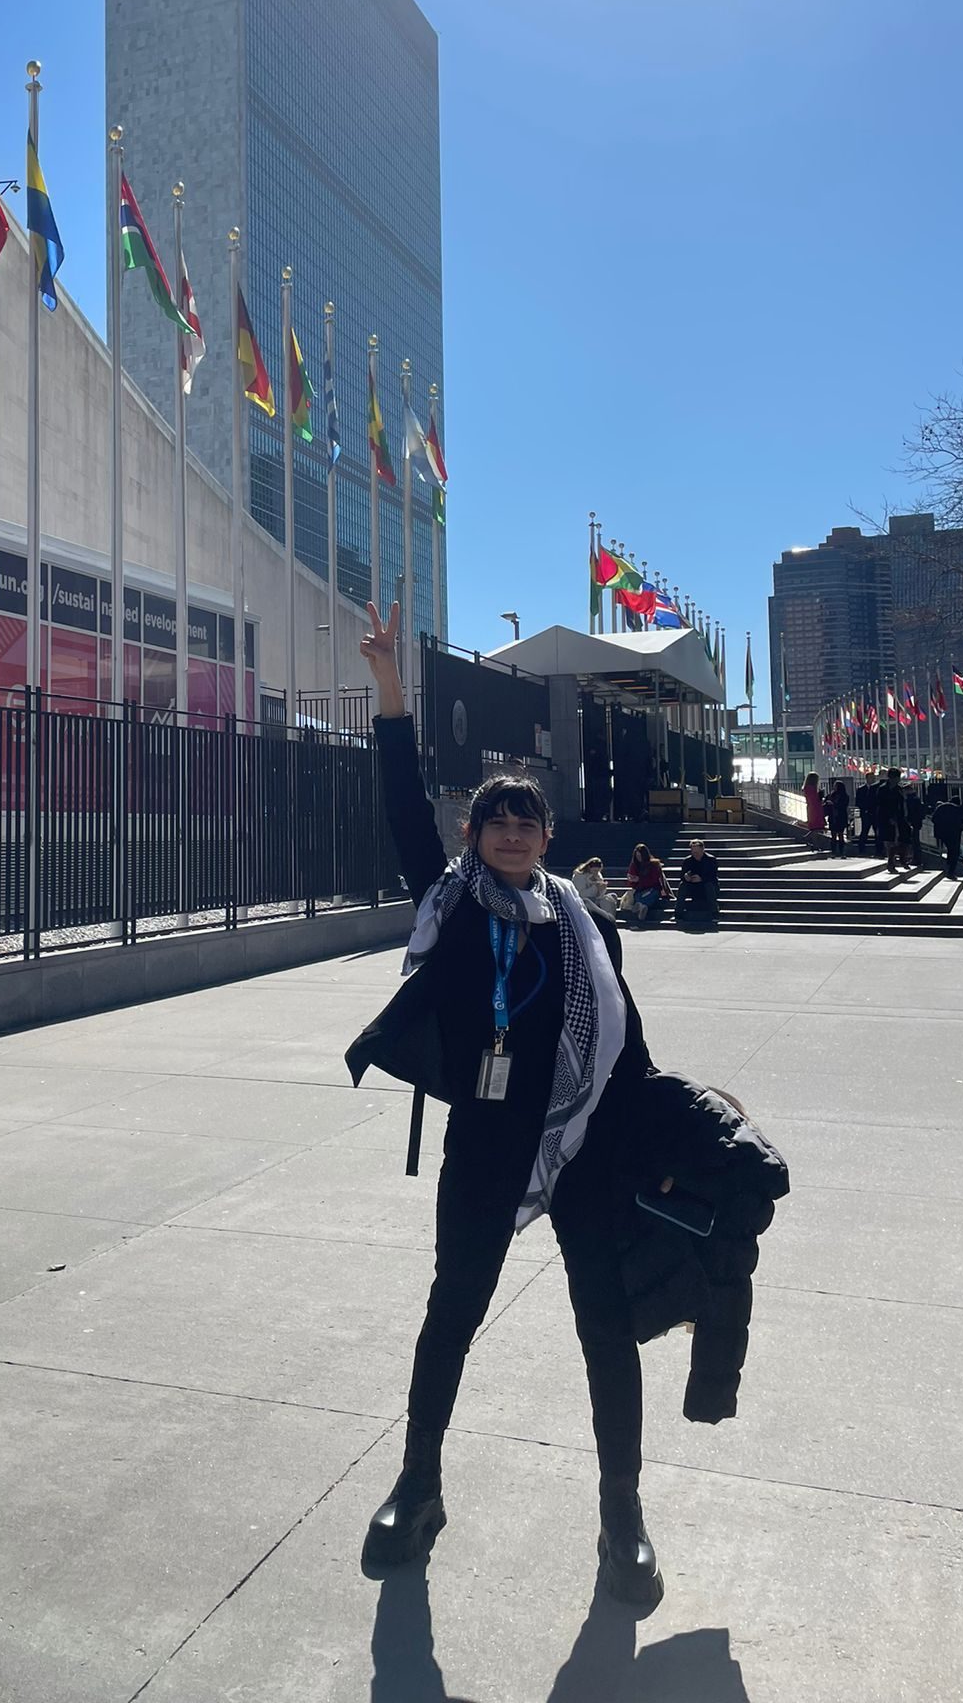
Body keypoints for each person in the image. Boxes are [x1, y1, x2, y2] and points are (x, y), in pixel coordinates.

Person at [351, 600, 663, 1603]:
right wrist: (391, 688)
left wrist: (661, 1140)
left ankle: (623, 1516)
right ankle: (419, 1481)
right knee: (452, 1312)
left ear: (546, 832)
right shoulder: (446, 909)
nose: (517, 830)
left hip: (584, 1147)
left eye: (529, 817)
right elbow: (398, 795)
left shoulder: (586, 930)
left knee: (605, 1324)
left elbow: (630, 1049)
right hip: (485, 1142)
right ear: (471, 831)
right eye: (499, 817)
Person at [625, 844, 671, 926]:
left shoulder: (653, 864)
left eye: (640, 856)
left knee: (652, 895)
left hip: (653, 889)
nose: (639, 858)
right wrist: (632, 879)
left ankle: (641, 906)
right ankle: (642, 906)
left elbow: (655, 880)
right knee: (638, 896)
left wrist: (640, 879)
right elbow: (632, 884)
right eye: (637, 856)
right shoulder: (634, 865)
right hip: (640, 890)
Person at [874, 768, 908, 876]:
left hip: (897, 818)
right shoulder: (882, 789)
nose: (897, 780)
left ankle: (892, 861)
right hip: (884, 818)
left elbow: (901, 805)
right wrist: (888, 817)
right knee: (889, 840)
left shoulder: (899, 789)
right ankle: (891, 862)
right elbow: (881, 805)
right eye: (896, 778)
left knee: (896, 840)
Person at [675, 839, 720, 921]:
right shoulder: (688, 860)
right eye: (693, 852)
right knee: (682, 886)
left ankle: (715, 913)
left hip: (707, 886)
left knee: (709, 885)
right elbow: (682, 875)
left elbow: (713, 876)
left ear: (703, 849)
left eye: (697, 852)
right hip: (693, 887)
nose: (696, 854)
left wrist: (701, 879)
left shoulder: (711, 860)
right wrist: (686, 877)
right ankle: (678, 914)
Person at [572, 857, 621, 922]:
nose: (596, 872)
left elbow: (600, 894)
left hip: (596, 898)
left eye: (598, 871)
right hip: (584, 900)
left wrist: (602, 888)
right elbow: (581, 894)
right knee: (604, 902)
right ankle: (607, 920)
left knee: (611, 898)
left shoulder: (597, 875)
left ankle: (610, 919)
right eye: (594, 870)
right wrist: (595, 887)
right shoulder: (579, 876)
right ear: (589, 868)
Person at [931, 792, 963, 880]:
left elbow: (933, 819)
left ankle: (944, 867)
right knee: (954, 852)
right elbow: (962, 824)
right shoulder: (957, 809)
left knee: (942, 850)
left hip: (941, 833)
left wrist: (940, 826)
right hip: (954, 835)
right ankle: (951, 871)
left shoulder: (941, 807)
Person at [802, 774, 826, 854]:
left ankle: (814, 843)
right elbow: (814, 799)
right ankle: (813, 842)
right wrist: (820, 796)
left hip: (813, 808)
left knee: (816, 828)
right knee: (817, 828)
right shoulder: (811, 788)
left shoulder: (807, 788)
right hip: (815, 809)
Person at [825, 780, 850, 857]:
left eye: (836, 786)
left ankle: (842, 852)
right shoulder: (831, 795)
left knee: (841, 835)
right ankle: (834, 852)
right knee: (833, 835)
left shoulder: (844, 796)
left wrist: (834, 804)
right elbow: (826, 802)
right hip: (833, 817)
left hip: (840, 817)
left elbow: (843, 805)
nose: (834, 787)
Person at [853, 778, 876, 852]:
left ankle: (879, 849)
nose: (872, 780)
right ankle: (861, 848)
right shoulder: (861, 789)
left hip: (874, 812)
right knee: (864, 830)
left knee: (877, 831)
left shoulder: (876, 788)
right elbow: (858, 801)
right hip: (865, 812)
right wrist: (864, 808)